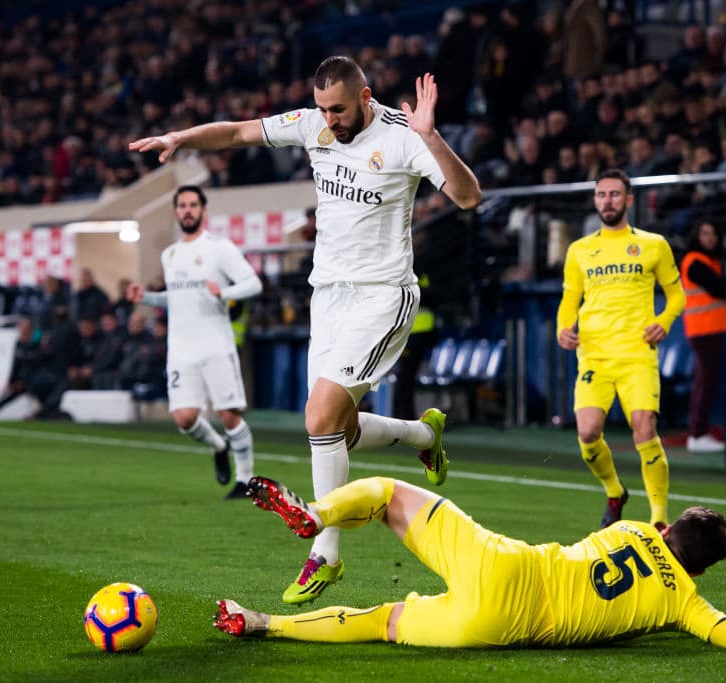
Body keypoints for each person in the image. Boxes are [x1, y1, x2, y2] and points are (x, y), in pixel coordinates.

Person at [129, 56, 482, 604]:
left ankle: (325, 555)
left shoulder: (405, 138)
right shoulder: (314, 125)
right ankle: (422, 434)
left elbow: (468, 196)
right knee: (335, 429)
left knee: (318, 417)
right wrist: (183, 137)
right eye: (321, 108)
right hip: (329, 298)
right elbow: (240, 132)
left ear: (365, 97)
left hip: (383, 295)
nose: (329, 120)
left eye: (338, 109)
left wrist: (431, 138)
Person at [214, 475, 726, 652]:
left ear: (666, 529)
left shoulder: (632, 528)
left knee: (386, 492)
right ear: (697, 571)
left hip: (503, 564)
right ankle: (263, 623)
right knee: (383, 622)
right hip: (500, 627)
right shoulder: (683, 601)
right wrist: (701, 615)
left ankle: (316, 515)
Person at [556, 169, 686, 530]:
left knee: (644, 428)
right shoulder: (580, 250)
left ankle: (659, 520)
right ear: (595, 200)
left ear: (629, 200)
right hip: (594, 354)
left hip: (637, 354)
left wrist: (666, 320)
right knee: (587, 433)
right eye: (601, 195)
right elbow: (570, 300)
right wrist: (562, 329)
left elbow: (676, 294)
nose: (607, 201)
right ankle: (615, 491)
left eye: (614, 195)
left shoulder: (653, 244)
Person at [127, 185, 263, 500]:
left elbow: (253, 283)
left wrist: (224, 293)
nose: (187, 210)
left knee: (229, 414)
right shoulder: (170, 254)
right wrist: (145, 297)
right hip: (181, 350)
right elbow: (176, 298)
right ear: (176, 212)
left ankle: (245, 480)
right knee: (185, 419)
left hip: (216, 344)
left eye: (193, 205)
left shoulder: (220, 247)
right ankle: (218, 446)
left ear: (203, 211)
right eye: (182, 206)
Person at [680, 220, 726, 452]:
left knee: (706, 381)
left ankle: (698, 432)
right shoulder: (694, 261)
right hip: (704, 330)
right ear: (696, 236)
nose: (710, 238)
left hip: (710, 329)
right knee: (705, 382)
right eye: (705, 233)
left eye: (713, 233)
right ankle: (698, 433)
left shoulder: (710, 261)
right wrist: (725, 284)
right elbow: (721, 288)